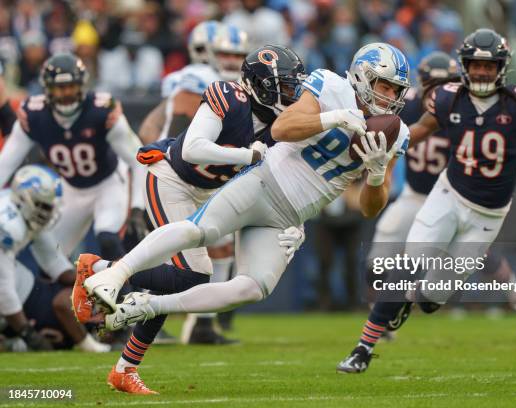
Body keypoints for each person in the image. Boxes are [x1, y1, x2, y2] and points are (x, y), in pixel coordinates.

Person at [82, 42, 410, 341]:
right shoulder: (329, 85)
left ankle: (149, 305)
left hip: (290, 216)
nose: (390, 96)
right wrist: (334, 118)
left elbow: (370, 207)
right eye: (385, 85)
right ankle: (115, 272)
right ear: (361, 75)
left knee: (253, 287)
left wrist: (377, 174)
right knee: (201, 232)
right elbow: (283, 129)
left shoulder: (396, 133)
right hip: (263, 180)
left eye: (396, 90)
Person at [71, 45, 307, 394]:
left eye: (293, 87)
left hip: (207, 192)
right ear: (261, 84)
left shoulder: (280, 126)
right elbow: (192, 148)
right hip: (171, 178)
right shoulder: (228, 95)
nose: (291, 94)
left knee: (177, 280)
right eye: (284, 87)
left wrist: (296, 225)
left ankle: (124, 369)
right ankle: (98, 267)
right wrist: (247, 154)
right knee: (193, 274)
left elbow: (284, 186)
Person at [337, 28, 516, 373]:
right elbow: (415, 133)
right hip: (446, 196)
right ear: (464, 65)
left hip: (488, 216)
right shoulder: (448, 98)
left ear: (501, 68)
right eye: (475, 65)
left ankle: (409, 303)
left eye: (488, 66)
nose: (480, 72)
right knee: (403, 269)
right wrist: (383, 145)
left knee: (432, 300)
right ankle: (362, 349)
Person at [369, 51, 516, 338]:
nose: (437, 91)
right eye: (432, 84)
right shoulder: (410, 106)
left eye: (446, 84)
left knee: (483, 258)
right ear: (421, 84)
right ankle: (383, 315)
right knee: (377, 261)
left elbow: (504, 155)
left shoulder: (464, 108)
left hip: (453, 197)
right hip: (414, 197)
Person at [137, 21, 249, 345]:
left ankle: (202, 323)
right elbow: (158, 125)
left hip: (209, 179)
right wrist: (167, 149)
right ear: (205, 52)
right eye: (225, 53)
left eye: (238, 54)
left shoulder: (237, 87)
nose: (231, 60)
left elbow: (150, 124)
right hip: (178, 175)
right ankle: (132, 308)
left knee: (219, 248)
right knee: (168, 251)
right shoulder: (198, 80)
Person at [0, 53, 147, 263]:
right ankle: (70, 295)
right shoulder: (34, 115)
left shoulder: (101, 111)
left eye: (70, 86)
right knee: (51, 258)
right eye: (59, 88)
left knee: (108, 239)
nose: (65, 93)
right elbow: (6, 163)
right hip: (71, 188)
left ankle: (125, 295)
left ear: (82, 85)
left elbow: (138, 158)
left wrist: (138, 208)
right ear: (47, 89)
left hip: (108, 183)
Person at [0, 165, 109, 352]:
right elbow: (4, 289)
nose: (47, 213)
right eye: (43, 206)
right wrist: (28, 333)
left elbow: (53, 261)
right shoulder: (8, 226)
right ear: (24, 199)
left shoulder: (22, 212)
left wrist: (89, 281)